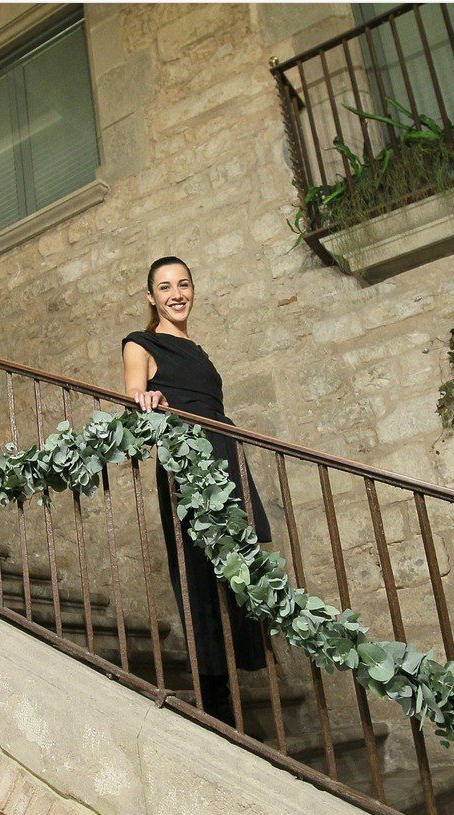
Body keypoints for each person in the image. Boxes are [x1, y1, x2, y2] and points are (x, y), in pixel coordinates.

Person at [121, 256, 272, 729]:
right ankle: (214, 694)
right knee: (197, 567)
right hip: (187, 459)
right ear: (151, 297)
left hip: (224, 452)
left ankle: (237, 675)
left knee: (240, 561)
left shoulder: (199, 350)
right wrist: (146, 399)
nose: (176, 294)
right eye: (165, 287)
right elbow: (134, 395)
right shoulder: (139, 343)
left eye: (183, 284)